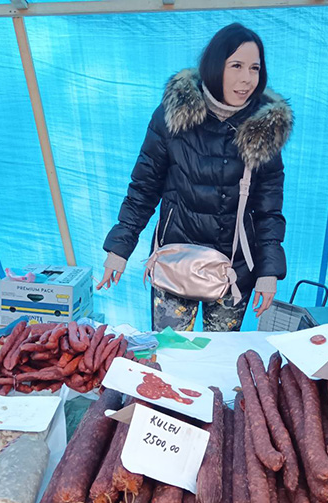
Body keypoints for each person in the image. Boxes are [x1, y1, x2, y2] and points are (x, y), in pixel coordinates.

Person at [98, 23, 292, 331]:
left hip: (234, 270)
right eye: (236, 66)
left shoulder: (264, 126)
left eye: (254, 68)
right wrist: (119, 249)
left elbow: (268, 209)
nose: (246, 78)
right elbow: (144, 188)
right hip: (174, 263)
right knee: (171, 351)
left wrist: (269, 272)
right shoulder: (172, 116)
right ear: (215, 65)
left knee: (221, 354)